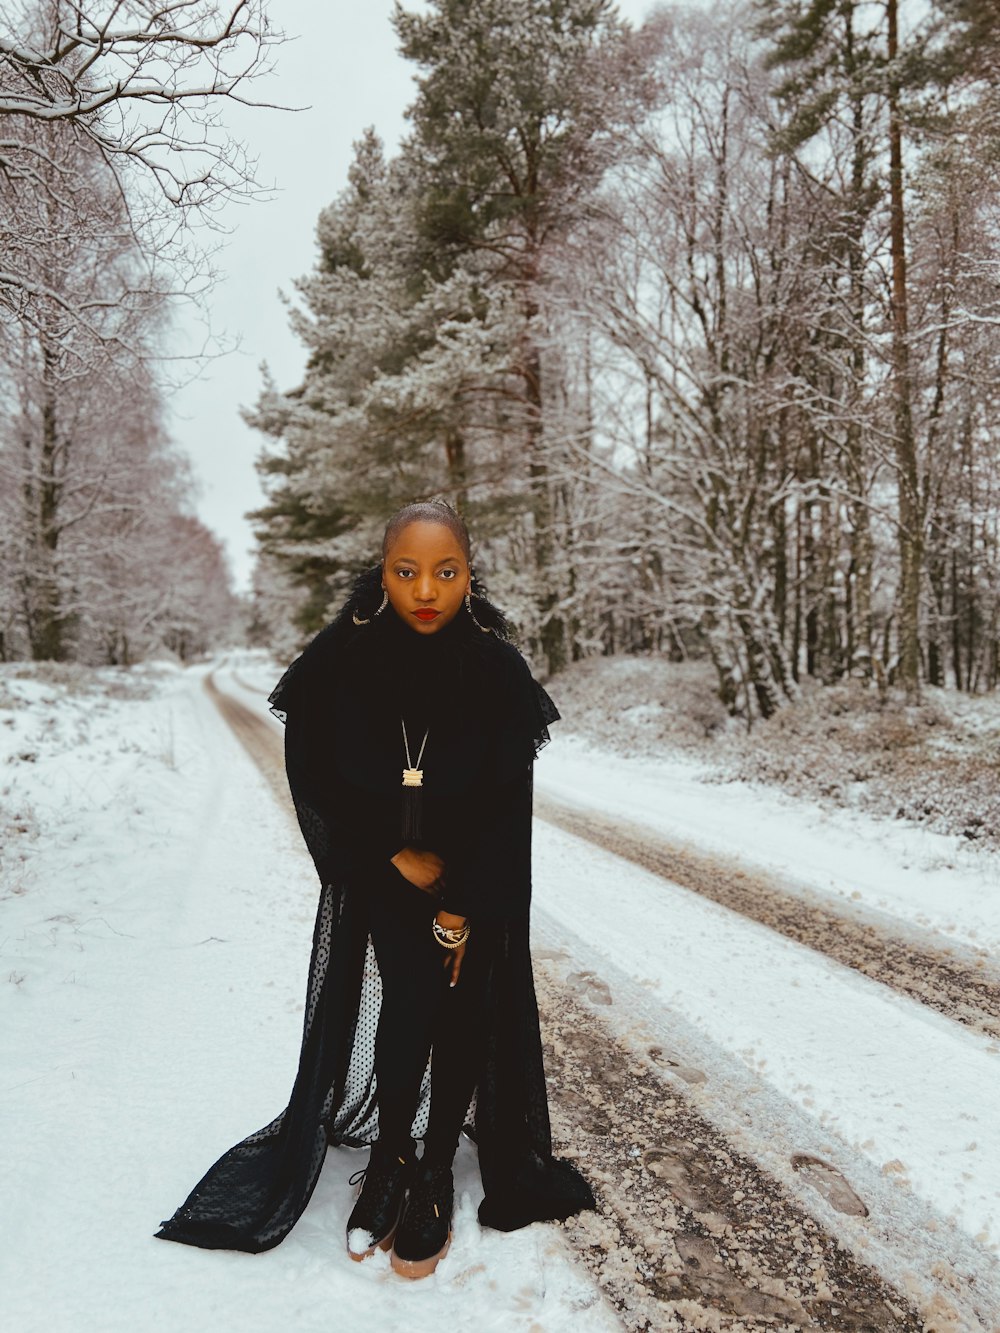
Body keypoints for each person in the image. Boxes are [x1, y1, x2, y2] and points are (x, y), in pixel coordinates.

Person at [155, 499, 595, 1277]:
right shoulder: (343, 657)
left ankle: (433, 1170)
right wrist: (391, 851)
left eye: (446, 571)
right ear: (382, 572)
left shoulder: (496, 668)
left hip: (476, 877)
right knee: (413, 997)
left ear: (468, 574)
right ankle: (391, 1156)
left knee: (463, 1009)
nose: (427, 589)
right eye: (407, 571)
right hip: (388, 873)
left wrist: (464, 900)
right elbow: (314, 772)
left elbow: (507, 804)